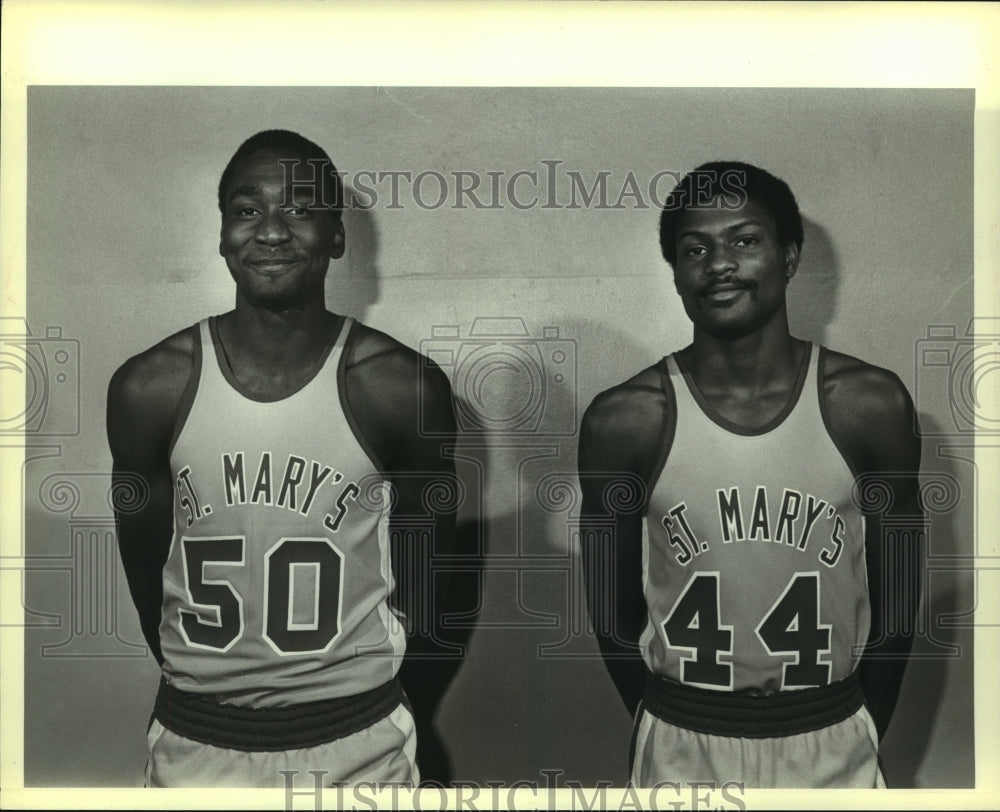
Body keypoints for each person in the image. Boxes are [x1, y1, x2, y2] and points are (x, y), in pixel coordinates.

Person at [107, 130, 459, 787]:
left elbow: (426, 576)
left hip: (357, 747)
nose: (270, 231)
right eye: (247, 210)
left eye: (298, 209)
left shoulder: (401, 389)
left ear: (337, 236)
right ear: (221, 236)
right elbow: (146, 568)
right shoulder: (149, 388)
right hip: (196, 743)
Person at [578, 161, 923, 788]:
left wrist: (863, 721)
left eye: (744, 240)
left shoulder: (869, 406)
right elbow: (610, 613)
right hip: (683, 740)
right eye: (695, 248)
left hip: (831, 732)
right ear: (677, 274)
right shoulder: (625, 420)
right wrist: (670, 716)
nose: (719, 264)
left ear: (789, 256)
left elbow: (900, 602)